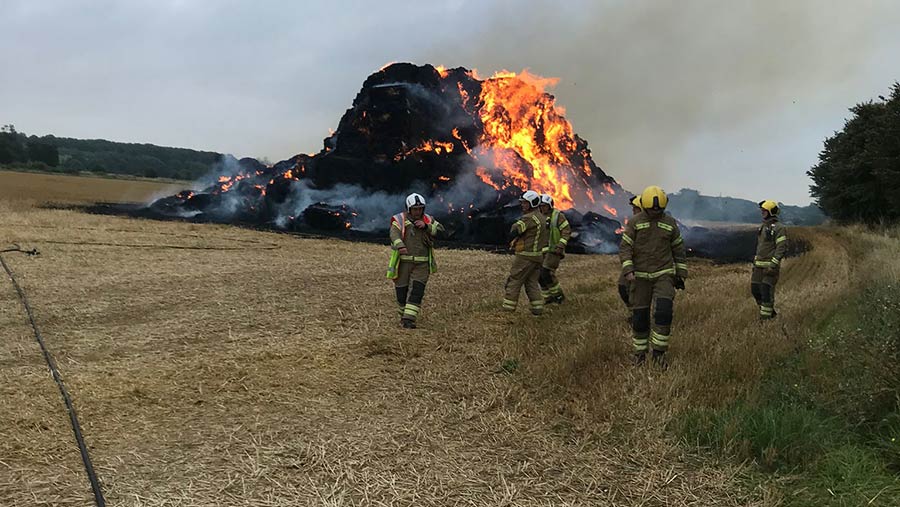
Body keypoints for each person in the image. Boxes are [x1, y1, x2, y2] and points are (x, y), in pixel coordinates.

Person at [619, 186, 688, 367]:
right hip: (640, 277)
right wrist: (628, 269)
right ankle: (640, 355)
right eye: (651, 210)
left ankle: (659, 354)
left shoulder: (670, 223)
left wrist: (680, 274)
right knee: (640, 317)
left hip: (663, 274)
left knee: (663, 312)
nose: (655, 213)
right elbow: (625, 247)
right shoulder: (634, 222)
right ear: (644, 206)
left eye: (659, 210)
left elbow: (678, 250)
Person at [386, 193, 443, 328]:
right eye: (415, 209)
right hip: (403, 263)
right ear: (408, 208)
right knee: (402, 293)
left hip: (422, 264)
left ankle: (408, 320)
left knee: (417, 291)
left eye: (420, 209)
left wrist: (427, 227)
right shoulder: (400, 219)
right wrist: (400, 245)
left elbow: (442, 230)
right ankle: (403, 315)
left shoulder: (428, 219)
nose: (418, 212)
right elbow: (393, 233)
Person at [503, 190, 549, 315]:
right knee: (531, 283)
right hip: (538, 256)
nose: (522, 205)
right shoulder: (541, 217)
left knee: (515, 280)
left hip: (525, 256)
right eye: (522, 203)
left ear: (532, 204)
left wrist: (511, 231)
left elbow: (516, 230)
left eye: (525, 203)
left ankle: (508, 310)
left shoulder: (529, 218)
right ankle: (537, 309)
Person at [751, 200, 788, 320]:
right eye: (762, 211)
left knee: (766, 291)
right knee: (755, 290)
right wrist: (755, 261)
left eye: (765, 211)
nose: (762, 213)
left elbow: (781, 247)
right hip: (758, 267)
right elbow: (760, 246)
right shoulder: (763, 227)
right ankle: (771, 314)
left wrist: (774, 263)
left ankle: (765, 320)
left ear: (772, 212)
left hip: (770, 268)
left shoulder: (779, 228)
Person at [538, 194, 571, 304]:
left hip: (554, 250)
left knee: (546, 272)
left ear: (550, 206)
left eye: (545, 206)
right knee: (539, 276)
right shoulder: (538, 216)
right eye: (541, 205)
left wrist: (561, 245)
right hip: (541, 251)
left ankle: (559, 297)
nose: (542, 208)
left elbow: (566, 231)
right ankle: (548, 298)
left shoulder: (558, 216)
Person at [617, 195, 644, 310]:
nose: (633, 210)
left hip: (644, 265)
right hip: (633, 262)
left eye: (635, 208)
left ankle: (636, 315)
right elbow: (626, 246)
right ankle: (633, 311)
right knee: (623, 286)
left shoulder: (650, 226)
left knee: (638, 292)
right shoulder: (633, 223)